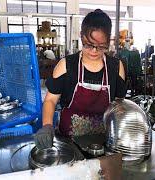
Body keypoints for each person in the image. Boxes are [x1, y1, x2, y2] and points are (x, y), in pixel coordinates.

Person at [35, 9, 126, 149]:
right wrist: (47, 126)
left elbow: (119, 106)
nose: (94, 51)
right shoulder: (66, 65)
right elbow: (50, 100)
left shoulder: (115, 67)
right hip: (68, 142)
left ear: (109, 41)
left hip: (103, 142)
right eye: (89, 45)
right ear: (81, 36)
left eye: (101, 46)